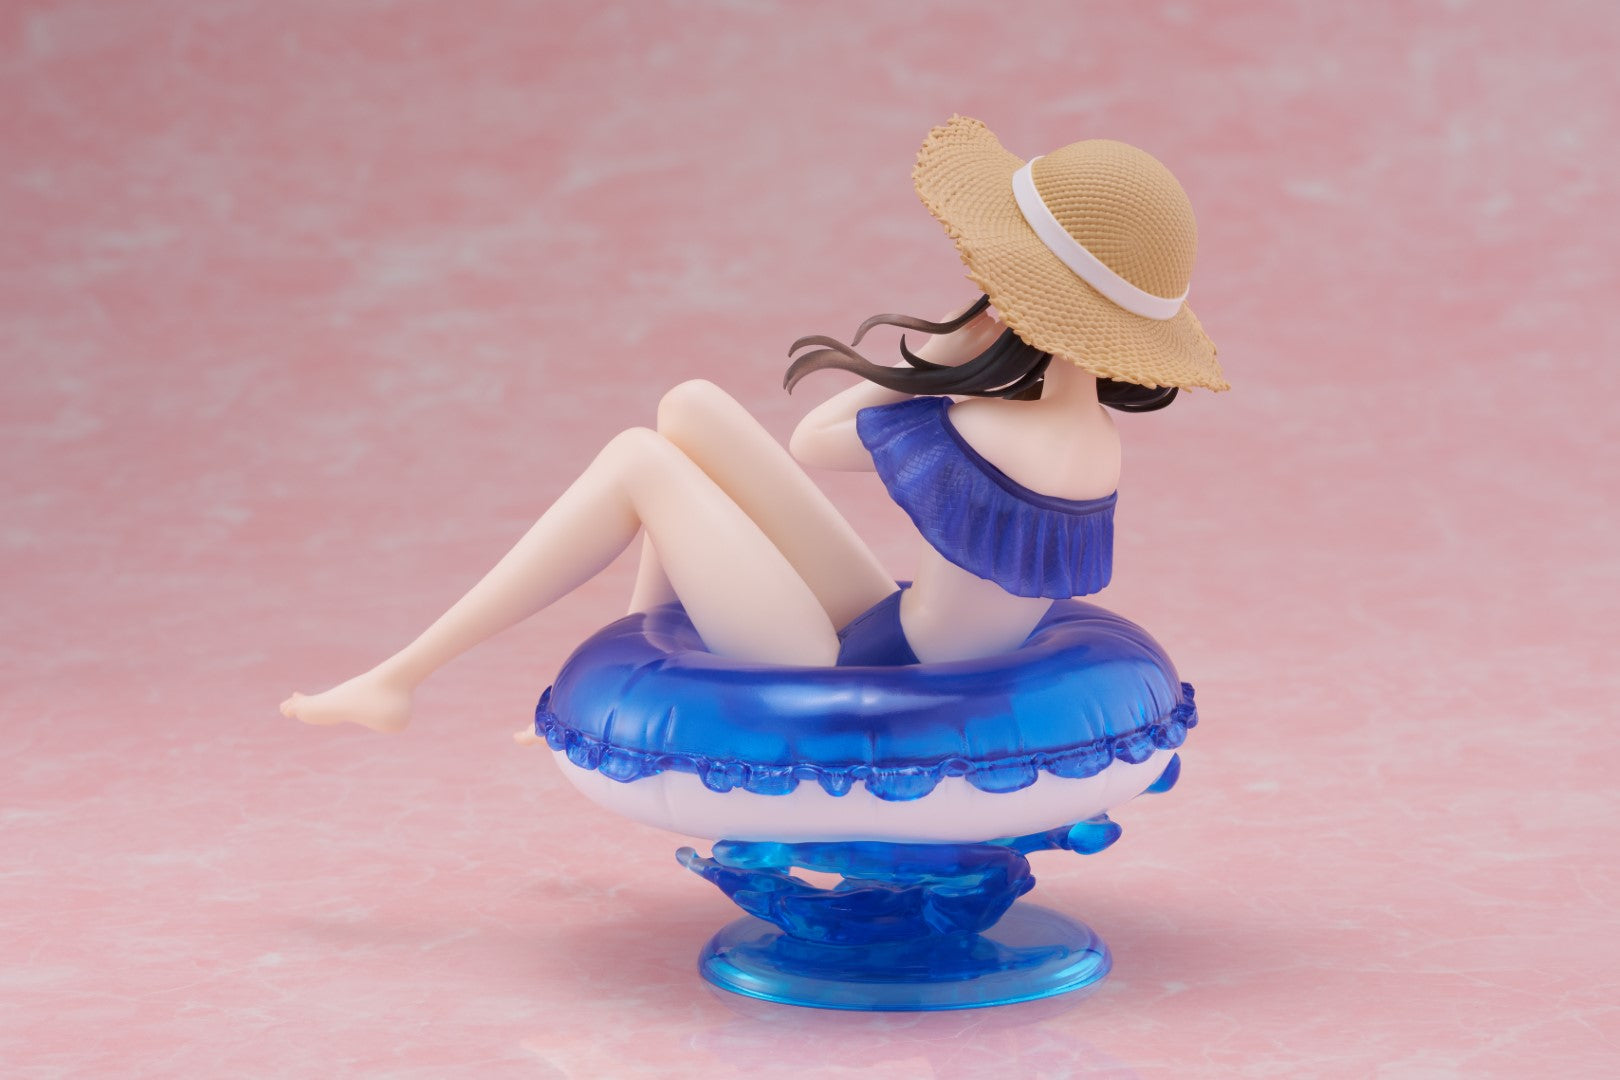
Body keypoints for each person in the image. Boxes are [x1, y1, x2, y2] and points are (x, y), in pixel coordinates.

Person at [280, 115, 1227, 734]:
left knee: (639, 460)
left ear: (1021, 304)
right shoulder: (1089, 442)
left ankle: (402, 676)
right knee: (690, 405)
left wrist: (935, 356)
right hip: (895, 630)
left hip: (854, 669)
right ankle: (639, 649)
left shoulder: (993, 426)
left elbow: (816, 439)